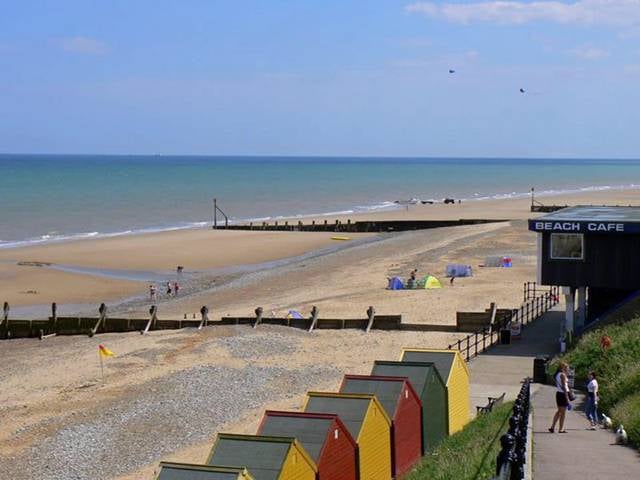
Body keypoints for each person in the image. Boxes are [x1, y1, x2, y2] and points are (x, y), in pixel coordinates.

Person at [549, 361, 571, 433]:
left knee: (559, 411)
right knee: (563, 413)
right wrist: (567, 398)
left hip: (558, 393)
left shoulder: (558, 374)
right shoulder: (562, 375)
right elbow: (564, 387)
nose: (568, 369)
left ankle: (552, 427)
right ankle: (560, 429)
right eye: (567, 367)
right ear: (563, 368)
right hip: (563, 394)